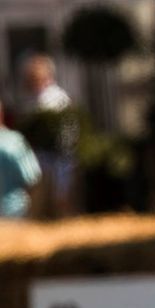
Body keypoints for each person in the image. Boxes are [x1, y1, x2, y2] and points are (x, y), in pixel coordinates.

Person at [21, 54, 77, 218]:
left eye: (34, 78)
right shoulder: (33, 99)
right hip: (42, 157)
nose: (31, 82)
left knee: (60, 199)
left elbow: (67, 132)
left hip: (59, 156)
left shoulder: (56, 98)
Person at [0, 100, 42, 219]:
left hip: (14, 212)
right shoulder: (14, 141)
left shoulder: (13, 141)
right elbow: (33, 178)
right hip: (15, 212)